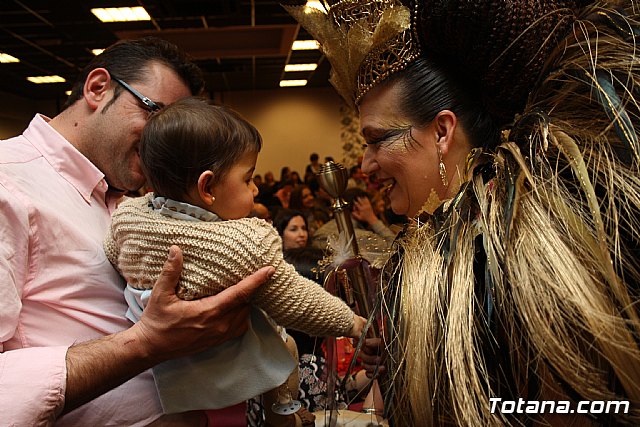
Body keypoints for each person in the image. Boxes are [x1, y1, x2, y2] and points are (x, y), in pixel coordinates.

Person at [285, 0, 640, 425]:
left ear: (442, 131)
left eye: (378, 139)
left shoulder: (513, 253)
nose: (365, 164)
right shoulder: (440, 251)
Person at [0, 37, 275, 426]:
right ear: (98, 88)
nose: (167, 143)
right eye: (155, 113)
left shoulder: (132, 198)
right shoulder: (9, 182)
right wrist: (145, 344)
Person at [104, 97, 366, 418]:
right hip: (224, 380)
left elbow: (113, 254)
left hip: (157, 381)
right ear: (208, 187)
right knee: (285, 348)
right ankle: (283, 416)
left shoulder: (128, 216)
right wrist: (351, 323)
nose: (255, 190)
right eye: (248, 178)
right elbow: (297, 301)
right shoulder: (241, 244)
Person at [312, 188, 396, 268]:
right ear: (357, 208)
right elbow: (395, 248)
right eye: (369, 208)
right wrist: (372, 219)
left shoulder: (321, 231)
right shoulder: (361, 236)